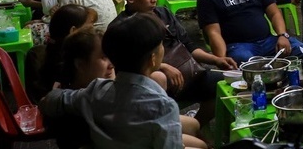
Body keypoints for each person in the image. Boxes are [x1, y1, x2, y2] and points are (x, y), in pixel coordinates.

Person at [41, 13, 206, 149]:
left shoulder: (96, 90)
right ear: (153, 59)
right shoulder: (163, 106)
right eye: (161, 45)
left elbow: (53, 100)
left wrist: (50, 95)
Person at [115, 0, 229, 122]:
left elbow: (188, 45)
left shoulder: (163, 14)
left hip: (187, 73)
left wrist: (215, 60)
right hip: (152, 82)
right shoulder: (121, 28)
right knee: (158, 78)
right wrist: (162, 66)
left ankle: (196, 125)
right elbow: (125, 67)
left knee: (223, 84)